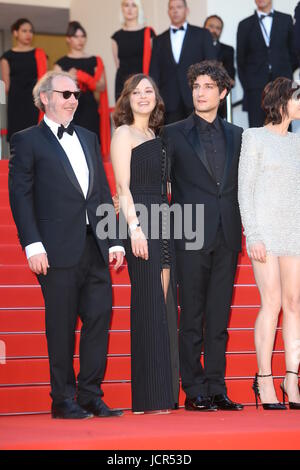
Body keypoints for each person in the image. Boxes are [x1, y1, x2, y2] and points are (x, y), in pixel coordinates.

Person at [8, 71, 125, 419]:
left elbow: (101, 192)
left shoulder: (88, 137)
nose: (73, 100)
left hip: (95, 246)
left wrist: (114, 239)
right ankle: (62, 399)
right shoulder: (27, 140)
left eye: (76, 94)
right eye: (65, 94)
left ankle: (90, 394)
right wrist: (32, 245)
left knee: (98, 320)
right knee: (60, 326)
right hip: (55, 249)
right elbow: (20, 197)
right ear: (45, 97)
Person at [162, 61, 244, 412]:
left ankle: (216, 387)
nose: (201, 92)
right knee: (192, 315)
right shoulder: (173, 132)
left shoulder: (238, 135)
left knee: (219, 317)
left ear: (223, 92)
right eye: (196, 86)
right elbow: (161, 185)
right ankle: (193, 388)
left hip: (227, 233)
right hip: (190, 235)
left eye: (209, 86)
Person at [111, 74, 179, 414]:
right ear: (127, 98)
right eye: (136, 92)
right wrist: (135, 229)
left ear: (156, 98)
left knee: (162, 305)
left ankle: (161, 395)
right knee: (148, 304)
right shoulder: (123, 134)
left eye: (148, 91)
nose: (142, 96)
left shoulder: (154, 134)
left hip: (164, 218)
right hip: (141, 219)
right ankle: (149, 398)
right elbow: (122, 188)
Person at [238, 77, 300, 411]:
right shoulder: (254, 137)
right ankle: (263, 378)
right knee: (272, 301)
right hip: (266, 232)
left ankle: (291, 377)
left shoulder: (298, 142)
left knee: (294, 303)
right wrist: (254, 233)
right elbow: (245, 188)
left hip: (295, 231)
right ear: (282, 100)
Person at [150, 0, 216, 124]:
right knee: (172, 141)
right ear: (168, 12)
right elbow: (154, 72)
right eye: (172, 8)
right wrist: (156, 100)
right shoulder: (158, 40)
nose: (175, 10)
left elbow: (211, 67)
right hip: (169, 101)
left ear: (187, 10)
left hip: (197, 96)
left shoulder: (202, 34)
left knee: (200, 140)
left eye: (179, 7)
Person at [237, 0, 297, 128]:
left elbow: (294, 52)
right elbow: (241, 60)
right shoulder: (244, 24)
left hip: (283, 86)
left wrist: (285, 72)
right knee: (257, 129)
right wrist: (249, 86)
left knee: (284, 127)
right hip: (255, 88)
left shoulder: (286, 19)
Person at [54, 21, 110, 159]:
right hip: (69, 110)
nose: (80, 40)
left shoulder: (94, 60)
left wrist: (81, 76)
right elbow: (55, 91)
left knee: (91, 149)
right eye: (76, 36)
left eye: (82, 36)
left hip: (90, 109)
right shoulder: (61, 63)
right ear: (68, 39)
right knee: (71, 149)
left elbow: (101, 86)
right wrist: (69, 78)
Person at [0, 18, 47, 142]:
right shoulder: (7, 57)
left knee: (37, 139)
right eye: (24, 31)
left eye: (31, 31)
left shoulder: (40, 54)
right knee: (18, 141)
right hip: (16, 103)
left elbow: (45, 81)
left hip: (35, 102)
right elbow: (5, 87)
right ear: (15, 33)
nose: (28, 34)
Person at [111, 0, 155, 101]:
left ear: (138, 9)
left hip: (143, 83)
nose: (130, 9)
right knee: (124, 116)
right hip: (123, 86)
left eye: (134, 5)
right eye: (126, 5)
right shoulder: (116, 37)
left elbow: (154, 63)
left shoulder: (148, 33)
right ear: (122, 8)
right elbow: (118, 65)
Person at [204, 14, 235, 120]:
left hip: (219, 103)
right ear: (204, 27)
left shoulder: (228, 50)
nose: (214, 30)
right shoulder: (194, 48)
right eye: (211, 26)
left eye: (218, 28)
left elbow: (230, 79)